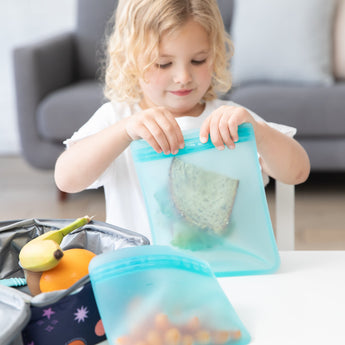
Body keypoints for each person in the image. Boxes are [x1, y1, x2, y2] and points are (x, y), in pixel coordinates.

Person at [55, 0, 310, 241]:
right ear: (131, 60)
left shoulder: (231, 118)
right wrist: (124, 131)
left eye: (198, 60)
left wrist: (259, 133)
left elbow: (297, 171)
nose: (183, 77)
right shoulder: (118, 118)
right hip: (141, 270)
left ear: (215, 54)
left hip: (224, 272)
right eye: (163, 64)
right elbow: (67, 179)